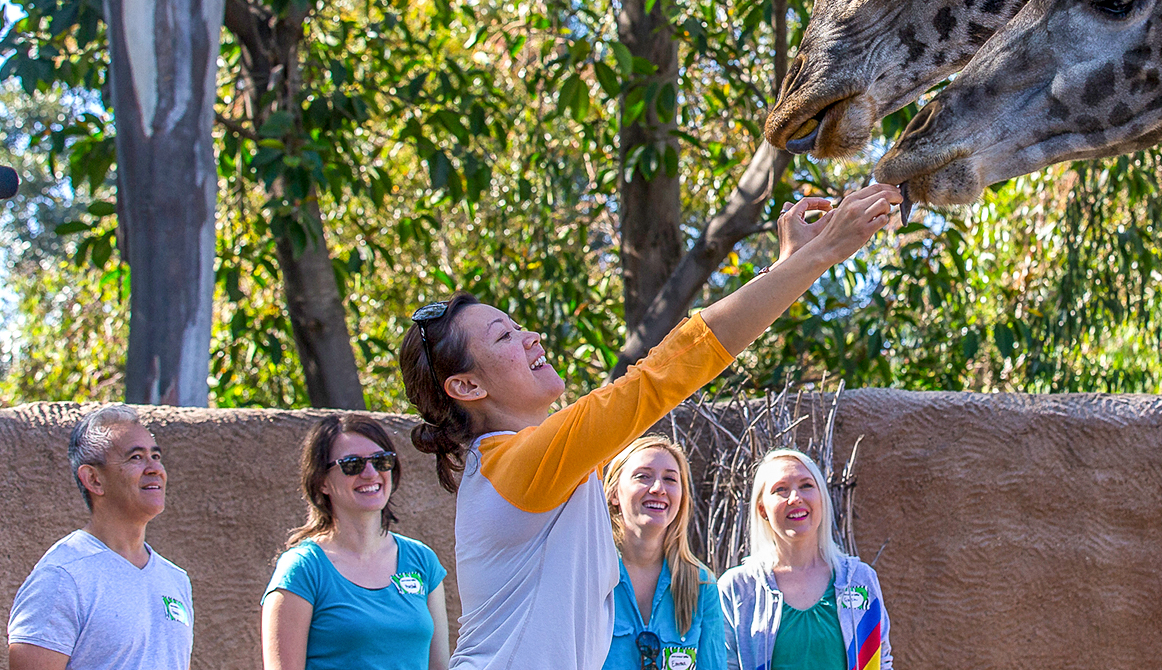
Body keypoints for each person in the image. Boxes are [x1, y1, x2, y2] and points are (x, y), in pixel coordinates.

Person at [399, 182, 900, 670]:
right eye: (504, 335)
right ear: (465, 388)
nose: (530, 336)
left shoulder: (542, 468)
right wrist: (818, 256)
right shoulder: (517, 467)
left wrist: (786, 267)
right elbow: (669, 370)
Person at [7, 404, 194, 670]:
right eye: (136, 458)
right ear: (93, 479)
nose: (155, 469)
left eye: (156, 456)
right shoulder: (62, 577)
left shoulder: (175, 579)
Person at [261, 414, 449, 670]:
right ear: (322, 481)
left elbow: (439, 666)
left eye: (382, 461)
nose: (370, 473)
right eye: (352, 464)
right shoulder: (303, 569)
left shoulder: (422, 561)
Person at [719, 450, 892, 670]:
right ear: (762, 509)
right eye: (780, 489)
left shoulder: (860, 580)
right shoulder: (737, 588)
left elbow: (881, 662)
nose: (795, 498)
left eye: (806, 486)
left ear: (821, 498)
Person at [602, 436, 726, 670]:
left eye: (670, 479)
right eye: (643, 476)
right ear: (614, 494)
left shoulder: (701, 585)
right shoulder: (589, 578)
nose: (658, 488)